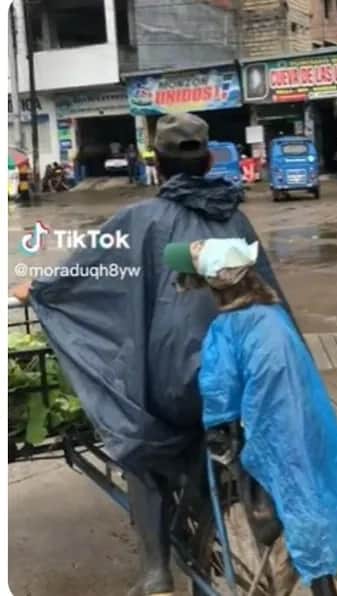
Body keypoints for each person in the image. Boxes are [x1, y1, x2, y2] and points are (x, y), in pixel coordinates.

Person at [13, 113, 289, 596]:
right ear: (207, 161)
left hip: (179, 387)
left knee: (140, 440)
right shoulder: (235, 217)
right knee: (210, 421)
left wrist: (36, 290)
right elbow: (263, 293)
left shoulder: (142, 221)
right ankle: (223, 506)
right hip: (247, 375)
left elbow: (86, 276)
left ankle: (156, 571)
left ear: (156, 166)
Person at [163, 238, 337, 595]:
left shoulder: (227, 329)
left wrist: (218, 432)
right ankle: (321, 580)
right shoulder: (274, 315)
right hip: (308, 421)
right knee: (311, 497)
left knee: (292, 504)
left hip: (271, 430)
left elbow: (218, 393)